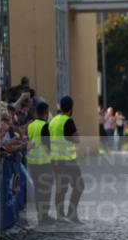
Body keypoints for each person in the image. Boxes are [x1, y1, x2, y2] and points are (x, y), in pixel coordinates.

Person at [49, 95, 84, 226]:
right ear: (70, 109)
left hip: (55, 160)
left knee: (61, 187)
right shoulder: (68, 121)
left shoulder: (53, 121)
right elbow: (77, 140)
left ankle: (60, 216)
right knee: (79, 186)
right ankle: (71, 214)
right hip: (67, 160)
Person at [26, 100, 54, 227]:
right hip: (44, 163)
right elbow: (47, 144)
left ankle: (40, 215)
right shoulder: (45, 126)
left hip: (33, 162)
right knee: (46, 190)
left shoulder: (31, 125)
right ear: (46, 113)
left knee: (38, 190)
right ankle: (44, 216)